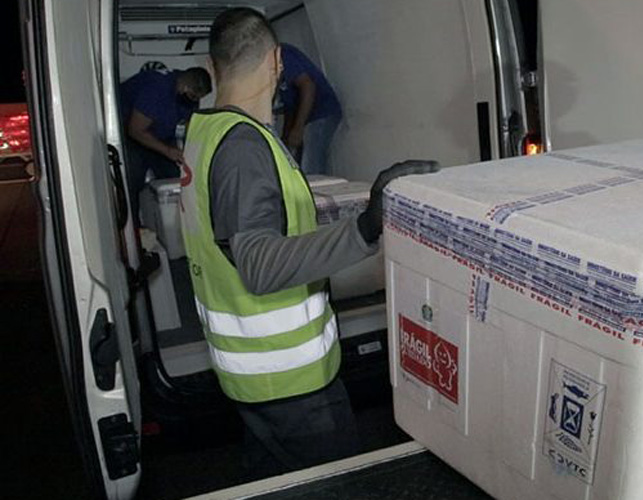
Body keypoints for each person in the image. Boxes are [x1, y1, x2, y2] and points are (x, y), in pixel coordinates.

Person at [180, 8, 438, 477]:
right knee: (336, 483)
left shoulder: (205, 133)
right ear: (277, 61)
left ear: (212, 67)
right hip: (289, 380)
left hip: (254, 373)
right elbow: (259, 265)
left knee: (274, 480)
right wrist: (365, 227)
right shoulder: (242, 147)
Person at [120, 66, 211, 223]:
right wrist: (168, 151)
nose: (195, 100)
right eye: (193, 96)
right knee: (131, 181)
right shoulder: (157, 89)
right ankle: (134, 228)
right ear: (185, 87)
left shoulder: (187, 97)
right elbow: (135, 130)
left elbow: (188, 125)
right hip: (131, 136)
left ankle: (176, 225)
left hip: (159, 135)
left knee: (176, 178)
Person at [277, 43, 343, 176]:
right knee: (296, 163)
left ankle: (313, 185)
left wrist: (298, 128)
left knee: (310, 165)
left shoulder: (283, 55)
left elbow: (308, 86)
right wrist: (285, 140)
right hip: (306, 117)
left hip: (322, 112)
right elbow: (290, 107)